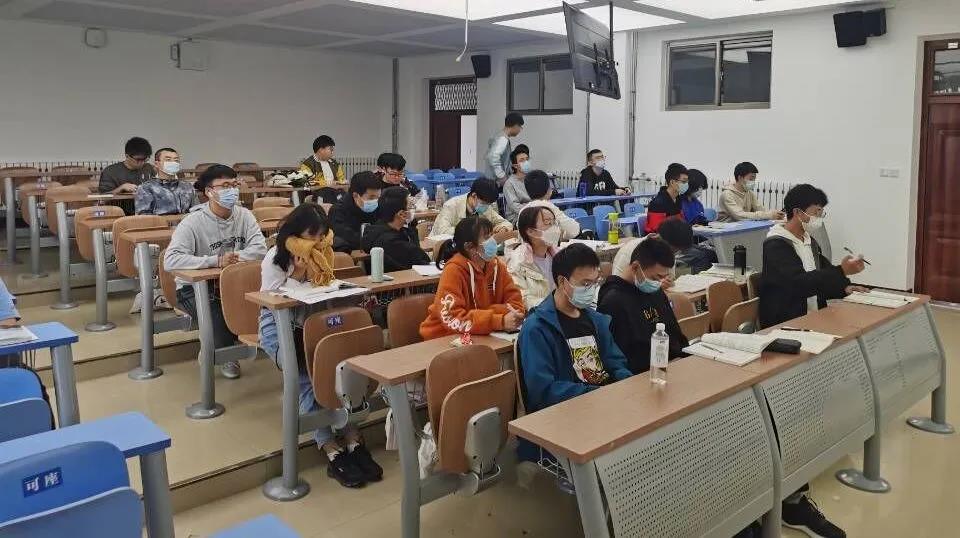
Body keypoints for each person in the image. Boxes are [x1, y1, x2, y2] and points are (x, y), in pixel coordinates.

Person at [257, 203, 382, 488]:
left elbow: (326, 286)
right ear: (294, 234)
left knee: (339, 372)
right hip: (280, 329)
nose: (317, 241)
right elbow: (273, 301)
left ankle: (352, 437)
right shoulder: (275, 258)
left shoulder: (323, 253)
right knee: (307, 377)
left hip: (316, 323)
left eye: (321, 235)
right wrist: (298, 275)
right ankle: (329, 446)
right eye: (310, 235)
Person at [164, 164, 267, 379]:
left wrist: (234, 259)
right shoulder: (192, 222)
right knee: (220, 319)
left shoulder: (245, 215)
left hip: (235, 284)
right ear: (209, 192)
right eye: (225, 186)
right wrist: (216, 261)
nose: (232, 190)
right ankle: (222, 352)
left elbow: (259, 249)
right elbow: (171, 260)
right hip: (196, 289)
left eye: (234, 185)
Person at [518, 243, 632, 414]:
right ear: (562, 281)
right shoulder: (537, 328)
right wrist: (596, 394)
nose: (591, 290)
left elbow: (616, 362)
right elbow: (543, 390)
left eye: (594, 283)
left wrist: (626, 382)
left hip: (604, 404)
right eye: (585, 284)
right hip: (566, 413)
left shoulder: (596, 320)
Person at [759, 184, 867, 329]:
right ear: (797, 212)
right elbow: (800, 284)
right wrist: (842, 270)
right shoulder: (776, 245)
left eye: (821, 212)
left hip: (813, 315)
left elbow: (821, 276)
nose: (819, 218)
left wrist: (844, 288)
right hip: (786, 321)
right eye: (816, 212)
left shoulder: (809, 241)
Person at [419, 216, 525, 340]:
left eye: (491, 235)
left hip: (485, 334)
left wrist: (482, 316)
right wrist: (498, 320)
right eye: (487, 238)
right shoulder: (453, 270)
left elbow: (517, 306)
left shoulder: (498, 266)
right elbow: (452, 318)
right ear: (469, 247)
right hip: (444, 336)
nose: (493, 241)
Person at [597, 237, 688, 374]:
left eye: (663, 277)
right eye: (656, 277)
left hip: (671, 367)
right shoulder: (613, 302)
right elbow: (619, 360)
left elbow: (675, 334)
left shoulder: (654, 291)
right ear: (635, 267)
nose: (659, 282)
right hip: (642, 376)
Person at [362, 186, 431, 271]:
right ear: (401, 214)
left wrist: (410, 226)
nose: (414, 209)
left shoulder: (385, 230)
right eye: (411, 206)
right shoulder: (391, 242)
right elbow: (422, 260)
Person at [507, 205, 561, 310]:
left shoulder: (558, 256)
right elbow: (522, 298)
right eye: (548, 223)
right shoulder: (517, 263)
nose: (554, 228)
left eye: (554, 223)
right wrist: (556, 306)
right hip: (539, 314)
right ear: (531, 231)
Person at [430, 177, 513, 237]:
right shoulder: (451, 206)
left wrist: (503, 228)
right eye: (484, 203)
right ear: (474, 195)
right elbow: (443, 231)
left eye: (489, 204)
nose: (487, 206)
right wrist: (472, 231)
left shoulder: (487, 207)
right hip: (443, 249)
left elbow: (506, 223)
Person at [328, 171, 382, 253]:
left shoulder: (379, 205)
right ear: (355, 195)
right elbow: (347, 238)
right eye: (371, 197)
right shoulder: (338, 211)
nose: (375, 201)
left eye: (378, 197)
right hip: (352, 253)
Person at [135, 147, 198, 215]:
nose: (173, 163)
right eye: (168, 160)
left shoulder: (187, 186)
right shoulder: (146, 188)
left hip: (187, 221)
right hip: (160, 222)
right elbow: (143, 217)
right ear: (156, 164)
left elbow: (197, 212)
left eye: (176, 160)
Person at [522, 170, 580, 240]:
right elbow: (573, 230)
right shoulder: (549, 207)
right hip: (548, 245)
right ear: (548, 190)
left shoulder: (523, 210)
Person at [718, 162, 784, 222]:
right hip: (727, 227)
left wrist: (774, 214)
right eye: (751, 179)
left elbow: (760, 209)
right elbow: (740, 216)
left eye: (754, 179)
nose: (753, 182)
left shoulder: (749, 193)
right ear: (740, 178)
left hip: (743, 225)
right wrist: (768, 215)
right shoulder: (727, 195)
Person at [644, 163, 689, 234]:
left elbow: (681, 224)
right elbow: (656, 234)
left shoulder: (678, 199)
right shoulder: (658, 203)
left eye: (687, 182)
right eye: (684, 181)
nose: (686, 184)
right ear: (672, 182)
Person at [485, 112, 524, 187]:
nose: (520, 130)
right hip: (494, 182)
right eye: (520, 127)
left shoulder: (500, 136)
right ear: (516, 125)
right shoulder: (502, 139)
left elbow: (504, 160)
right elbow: (492, 157)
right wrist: (501, 176)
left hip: (493, 181)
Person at [502, 146, 532, 222]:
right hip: (516, 217)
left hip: (533, 212)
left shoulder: (532, 179)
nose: (526, 162)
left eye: (527, 159)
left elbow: (540, 198)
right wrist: (533, 208)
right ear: (515, 166)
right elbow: (515, 207)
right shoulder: (509, 184)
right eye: (522, 160)